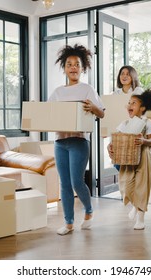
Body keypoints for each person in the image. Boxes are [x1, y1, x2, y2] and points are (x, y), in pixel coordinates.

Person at [48, 44, 105, 236]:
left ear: (83, 68)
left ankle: (88, 210)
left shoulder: (87, 89)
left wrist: (93, 108)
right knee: (64, 183)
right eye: (69, 64)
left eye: (77, 64)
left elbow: (101, 113)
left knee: (76, 182)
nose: (73, 67)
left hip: (79, 142)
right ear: (64, 68)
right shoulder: (57, 92)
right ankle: (69, 223)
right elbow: (48, 115)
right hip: (60, 142)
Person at [107, 89, 151, 230]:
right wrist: (110, 146)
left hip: (143, 157)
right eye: (129, 102)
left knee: (142, 187)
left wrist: (143, 140)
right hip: (127, 159)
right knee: (125, 185)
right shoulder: (125, 123)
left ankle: (141, 217)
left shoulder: (147, 122)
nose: (129, 105)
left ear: (142, 108)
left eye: (134, 103)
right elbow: (115, 139)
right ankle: (135, 206)